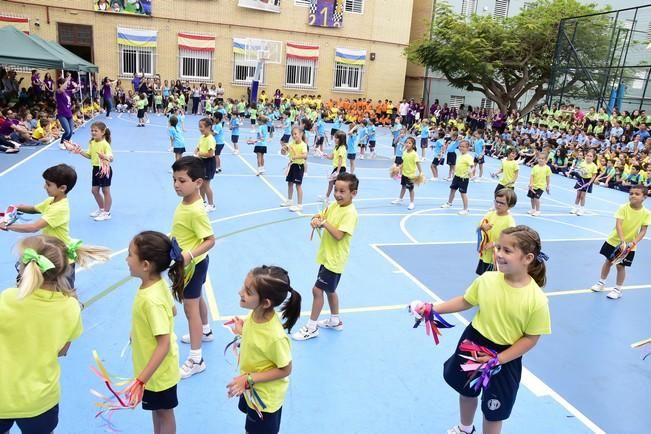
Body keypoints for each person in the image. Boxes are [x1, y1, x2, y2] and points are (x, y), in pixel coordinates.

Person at [434, 225, 551, 434]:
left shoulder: (537, 300)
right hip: (474, 343)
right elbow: (465, 301)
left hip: (504, 358)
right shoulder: (487, 279)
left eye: (507, 250)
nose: (498, 254)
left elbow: (531, 338)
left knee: (494, 410)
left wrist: (499, 359)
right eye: (498, 248)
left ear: (528, 258)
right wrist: (432, 309)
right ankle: (465, 428)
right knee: (467, 390)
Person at [0, 235, 84, 434]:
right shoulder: (70, 306)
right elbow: (62, 350)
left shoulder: (9, 298)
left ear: (25, 268)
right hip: (40, 398)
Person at [226, 265, 301, 434]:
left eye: (248, 291)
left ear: (266, 303)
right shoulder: (255, 315)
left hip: (264, 399)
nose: (240, 292)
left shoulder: (275, 337)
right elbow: (257, 340)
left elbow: (286, 369)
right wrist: (242, 332)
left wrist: (248, 379)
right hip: (251, 388)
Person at [127, 231, 185, 434]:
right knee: (158, 411)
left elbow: (163, 343)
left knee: (164, 413)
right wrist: (139, 330)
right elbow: (173, 311)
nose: (127, 259)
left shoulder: (150, 299)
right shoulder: (154, 285)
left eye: (130, 254)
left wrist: (141, 378)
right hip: (155, 370)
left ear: (146, 265)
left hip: (158, 373)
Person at [292, 173, 359, 341]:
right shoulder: (335, 206)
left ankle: (311, 327)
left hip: (335, 260)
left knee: (317, 290)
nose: (337, 194)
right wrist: (315, 219)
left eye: (342, 191)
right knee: (330, 290)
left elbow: (338, 235)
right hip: (327, 257)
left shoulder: (350, 213)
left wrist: (323, 223)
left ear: (354, 193)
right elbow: (321, 215)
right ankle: (335, 321)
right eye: (336, 190)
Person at [170, 156, 216, 378]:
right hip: (192, 263)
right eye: (174, 180)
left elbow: (210, 240)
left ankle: (196, 358)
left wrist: (189, 254)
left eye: (182, 180)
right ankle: (205, 330)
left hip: (193, 265)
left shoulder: (196, 210)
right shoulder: (185, 202)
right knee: (197, 300)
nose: (177, 185)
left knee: (190, 309)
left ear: (198, 182)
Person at [590, 185, 650, 300]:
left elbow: (643, 230)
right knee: (608, 261)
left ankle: (617, 289)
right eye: (631, 193)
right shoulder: (623, 208)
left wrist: (634, 243)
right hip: (614, 241)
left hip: (629, 246)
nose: (633, 196)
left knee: (621, 266)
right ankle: (601, 283)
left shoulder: (646, 213)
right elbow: (618, 224)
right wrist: (622, 240)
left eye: (637, 194)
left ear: (644, 197)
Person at [63, 121, 114, 222]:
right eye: (92, 130)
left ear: (103, 132)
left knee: (105, 191)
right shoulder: (92, 142)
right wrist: (79, 151)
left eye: (96, 131)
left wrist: (106, 157)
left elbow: (111, 158)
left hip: (104, 169)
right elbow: (89, 156)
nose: (93, 132)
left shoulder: (105, 144)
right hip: (95, 168)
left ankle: (107, 213)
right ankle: (101, 209)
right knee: (94, 190)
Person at [476, 189, 517, 275]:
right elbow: (479, 225)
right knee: (483, 278)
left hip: (497, 258)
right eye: (497, 201)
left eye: (502, 203)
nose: (498, 204)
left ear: (510, 206)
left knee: (493, 281)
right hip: (486, 255)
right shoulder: (490, 214)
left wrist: (495, 243)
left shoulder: (509, 221)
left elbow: (511, 239)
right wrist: (482, 226)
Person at [441, 140, 474, 215]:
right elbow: (458, 165)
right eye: (460, 146)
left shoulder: (468, 157)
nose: (461, 148)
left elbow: (473, 166)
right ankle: (449, 203)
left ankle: (466, 209)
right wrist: (454, 171)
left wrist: (471, 171)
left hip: (463, 178)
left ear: (467, 148)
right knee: (452, 190)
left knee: (463, 193)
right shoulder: (460, 155)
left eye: (463, 147)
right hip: (456, 176)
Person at [280, 127, 308, 212]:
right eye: (292, 134)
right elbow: (284, 153)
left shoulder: (303, 145)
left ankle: (299, 205)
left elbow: (305, 156)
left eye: (295, 134)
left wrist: (296, 156)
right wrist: (283, 149)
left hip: (299, 166)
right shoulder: (292, 144)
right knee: (290, 183)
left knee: (298, 185)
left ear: (301, 134)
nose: (294, 136)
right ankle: (289, 200)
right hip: (292, 165)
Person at [391, 137, 422, 210]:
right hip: (404, 174)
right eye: (406, 142)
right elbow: (404, 162)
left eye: (409, 143)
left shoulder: (414, 154)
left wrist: (421, 172)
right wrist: (398, 168)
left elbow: (418, 163)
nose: (407, 144)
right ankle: (400, 198)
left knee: (410, 189)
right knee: (403, 186)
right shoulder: (404, 152)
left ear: (413, 145)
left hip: (411, 175)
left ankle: (412, 203)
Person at [195, 117, 216, 212]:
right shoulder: (202, 137)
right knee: (201, 184)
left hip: (209, 163)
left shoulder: (210, 139)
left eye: (201, 127)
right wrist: (195, 153)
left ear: (208, 127)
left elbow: (210, 154)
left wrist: (199, 154)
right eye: (199, 126)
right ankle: (202, 202)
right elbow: (198, 148)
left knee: (206, 185)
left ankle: (211, 205)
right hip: (201, 162)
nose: (200, 129)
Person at [321, 130, 347, 205]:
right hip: (336, 168)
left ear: (341, 139)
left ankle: (334, 198)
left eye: (337, 138)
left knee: (337, 184)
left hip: (340, 168)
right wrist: (325, 155)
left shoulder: (342, 148)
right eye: (335, 137)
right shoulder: (336, 147)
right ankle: (327, 197)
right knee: (331, 182)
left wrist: (337, 172)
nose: (335, 139)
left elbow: (340, 160)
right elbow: (332, 157)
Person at [570, 150, 598, 216]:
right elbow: (579, 170)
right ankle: (575, 208)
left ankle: (581, 209)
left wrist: (590, 183)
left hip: (587, 181)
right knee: (578, 195)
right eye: (587, 155)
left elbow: (594, 175)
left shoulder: (594, 166)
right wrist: (579, 171)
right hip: (580, 180)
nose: (588, 157)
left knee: (583, 196)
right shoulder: (582, 163)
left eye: (590, 156)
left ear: (593, 158)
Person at [527, 152, 552, 216]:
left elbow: (548, 177)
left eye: (543, 159)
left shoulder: (547, 168)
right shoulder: (535, 167)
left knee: (536, 198)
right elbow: (532, 176)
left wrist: (548, 186)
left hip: (540, 186)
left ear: (546, 160)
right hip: (533, 186)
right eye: (540, 158)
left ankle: (538, 210)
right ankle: (533, 209)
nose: (541, 160)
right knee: (532, 198)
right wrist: (530, 184)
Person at [55, 77, 74, 148]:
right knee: (67, 131)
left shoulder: (67, 92)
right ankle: (61, 143)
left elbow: (75, 90)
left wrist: (77, 86)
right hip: (62, 114)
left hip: (69, 114)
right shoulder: (58, 92)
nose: (66, 85)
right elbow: (61, 89)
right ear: (60, 84)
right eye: (65, 84)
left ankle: (67, 142)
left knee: (71, 131)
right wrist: (67, 80)